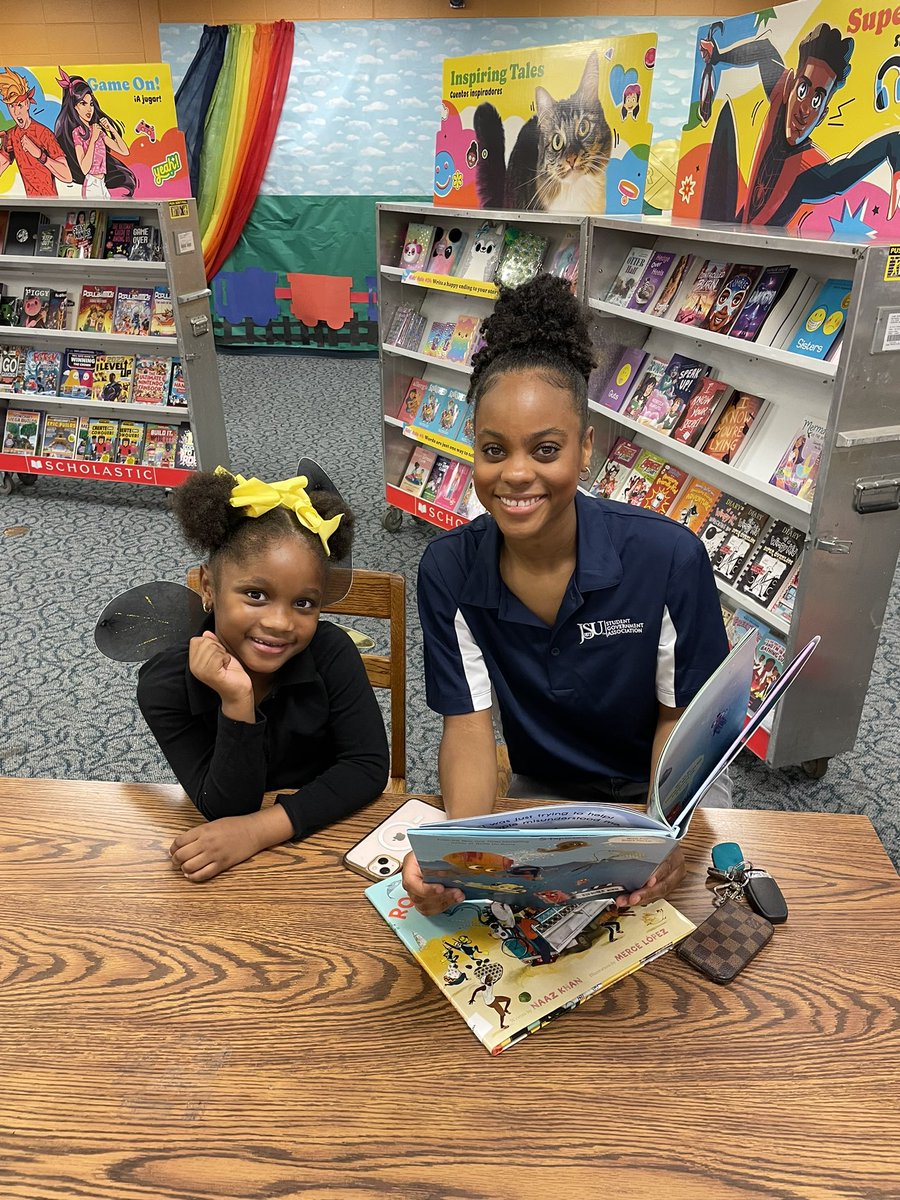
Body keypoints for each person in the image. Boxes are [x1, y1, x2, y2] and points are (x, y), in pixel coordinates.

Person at [404, 274, 729, 915]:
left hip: (655, 791)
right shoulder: (448, 571)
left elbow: (682, 722)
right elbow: (468, 730)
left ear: (586, 449)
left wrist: (660, 834)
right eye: (493, 450)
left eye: (545, 449)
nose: (516, 474)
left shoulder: (667, 560)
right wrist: (457, 856)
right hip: (537, 793)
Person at [138, 467, 389, 881]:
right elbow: (225, 808)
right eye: (256, 595)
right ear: (208, 586)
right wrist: (237, 702)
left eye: (304, 603)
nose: (280, 623)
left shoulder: (330, 653)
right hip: (241, 859)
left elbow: (366, 766)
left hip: (329, 831)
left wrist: (258, 830)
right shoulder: (164, 686)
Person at [54, 69, 136, 199]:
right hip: (92, 184)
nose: (89, 109)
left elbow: (124, 151)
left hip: (102, 183)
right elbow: (85, 168)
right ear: (74, 107)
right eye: (83, 103)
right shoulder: (77, 133)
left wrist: (111, 129)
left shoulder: (97, 129)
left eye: (91, 104)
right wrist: (93, 139)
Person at [0, 68, 72, 197]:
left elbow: (67, 175)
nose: (16, 112)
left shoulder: (43, 133)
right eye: (12, 106)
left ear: (27, 104)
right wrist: (3, 148)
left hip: (51, 203)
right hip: (29, 204)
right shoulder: (11, 135)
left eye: (19, 105)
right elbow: (2, 163)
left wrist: (40, 155)